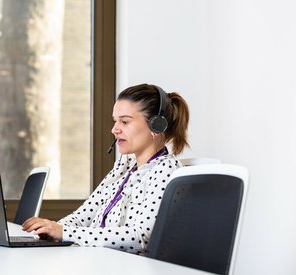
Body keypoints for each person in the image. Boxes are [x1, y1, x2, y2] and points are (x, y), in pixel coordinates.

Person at [22, 83, 190, 255]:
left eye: (124, 121)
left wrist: (64, 233)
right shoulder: (123, 168)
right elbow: (83, 216)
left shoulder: (165, 170)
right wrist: (51, 231)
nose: (114, 129)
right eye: (115, 121)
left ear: (157, 125)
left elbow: (139, 237)